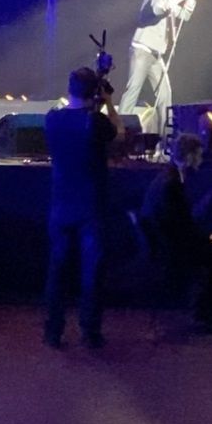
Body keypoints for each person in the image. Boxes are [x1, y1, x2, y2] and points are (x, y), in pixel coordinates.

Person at [43, 67, 122, 349]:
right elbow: (119, 133)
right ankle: (90, 331)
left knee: (57, 271)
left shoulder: (52, 118)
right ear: (95, 92)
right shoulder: (95, 121)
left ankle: (53, 332)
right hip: (91, 206)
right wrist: (109, 102)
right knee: (92, 272)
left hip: (60, 204)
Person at [139, 133, 212, 334]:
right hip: (172, 247)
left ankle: (207, 310)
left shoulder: (169, 177)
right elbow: (182, 229)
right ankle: (209, 313)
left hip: (168, 240)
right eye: (199, 155)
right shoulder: (172, 185)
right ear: (189, 156)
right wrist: (208, 238)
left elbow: (181, 224)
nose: (201, 160)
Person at [119, 0, 198, 136]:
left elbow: (184, 15)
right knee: (133, 91)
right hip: (143, 49)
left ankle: (165, 140)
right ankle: (120, 134)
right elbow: (158, 9)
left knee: (165, 95)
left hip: (156, 54)